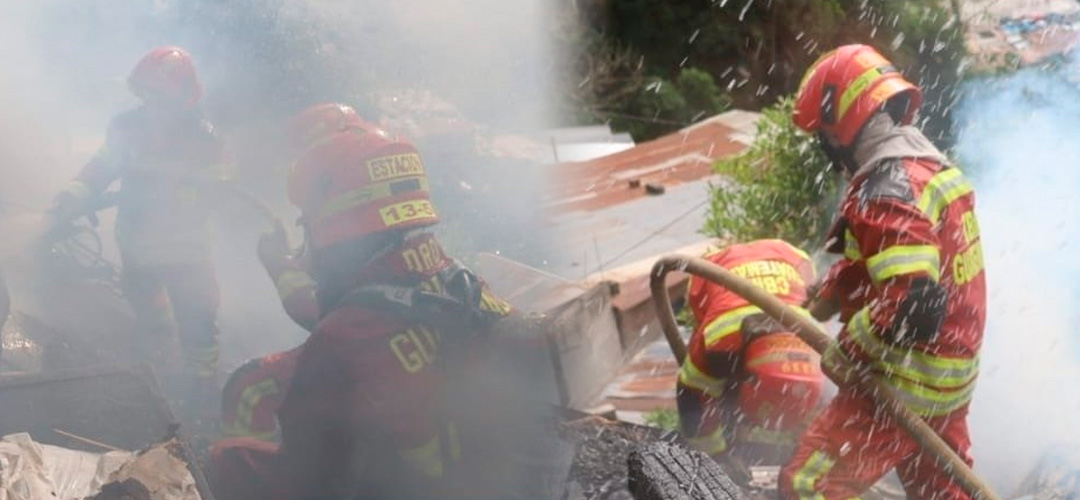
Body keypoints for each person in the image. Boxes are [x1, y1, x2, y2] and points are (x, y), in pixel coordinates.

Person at [209, 103, 518, 500]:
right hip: (466, 459)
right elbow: (338, 314)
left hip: (406, 480)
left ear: (338, 207)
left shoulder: (353, 326)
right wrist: (279, 267)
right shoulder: (446, 273)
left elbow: (339, 328)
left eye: (309, 215)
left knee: (247, 390)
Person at [779, 44, 986, 500]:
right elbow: (893, 259)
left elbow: (915, 303)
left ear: (842, 123)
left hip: (904, 383)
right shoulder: (931, 169)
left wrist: (847, 352)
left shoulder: (884, 189)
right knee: (942, 495)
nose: (826, 150)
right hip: (947, 382)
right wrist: (830, 291)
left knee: (807, 486)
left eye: (823, 136)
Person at [49, 46, 232, 408]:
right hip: (136, 244)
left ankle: (202, 387)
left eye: (160, 95)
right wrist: (73, 194)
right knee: (148, 311)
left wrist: (186, 198)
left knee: (197, 317)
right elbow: (102, 165)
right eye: (146, 94)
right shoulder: (126, 127)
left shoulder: (204, 137)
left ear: (182, 96)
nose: (152, 104)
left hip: (186, 251)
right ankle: (155, 370)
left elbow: (221, 186)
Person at [677, 239, 824, 465]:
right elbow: (692, 395)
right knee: (710, 390)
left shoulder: (821, 351)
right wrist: (715, 459)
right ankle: (729, 440)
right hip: (714, 269)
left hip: (790, 255)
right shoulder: (716, 344)